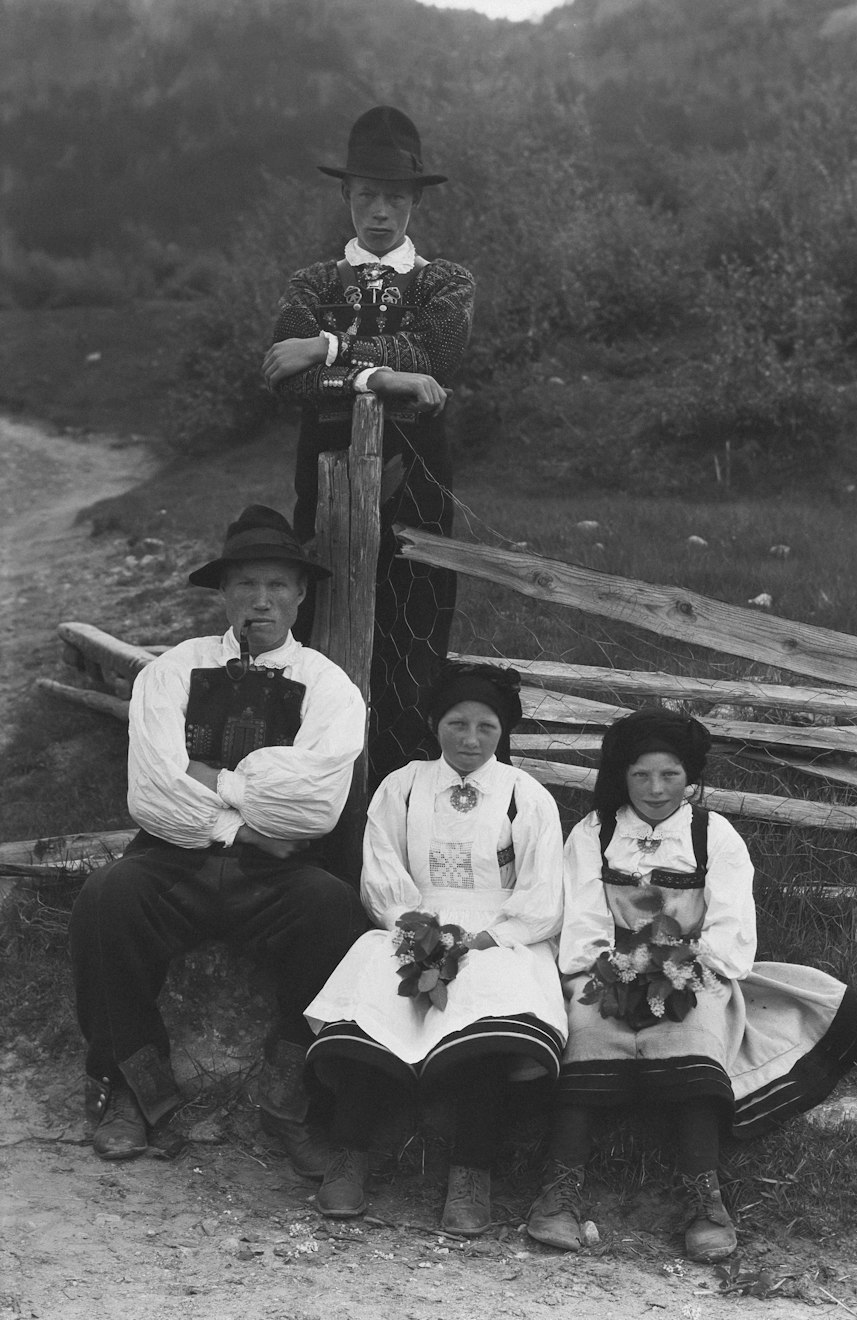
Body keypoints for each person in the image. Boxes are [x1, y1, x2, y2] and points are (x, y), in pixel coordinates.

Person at [69, 505, 370, 1178]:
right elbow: (153, 791)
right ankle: (132, 1089)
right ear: (224, 594)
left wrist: (207, 778)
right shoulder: (171, 672)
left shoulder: (328, 688)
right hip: (174, 860)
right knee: (105, 902)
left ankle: (290, 1096)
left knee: (339, 917)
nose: (259, 601)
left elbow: (315, 806)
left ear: (298, 595)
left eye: (275, 587)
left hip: (276, 874)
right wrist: (246, 807)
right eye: (244, 587)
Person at [526, 710, 857, 1262]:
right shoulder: (593, 834)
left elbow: (730, 926)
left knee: (692, 1026)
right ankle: (560, 1189)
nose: (655, 789)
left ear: (688, 775)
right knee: (587, 1027)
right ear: (623, 775)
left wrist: (680, 965)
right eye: (641, 775)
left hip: (693, 965)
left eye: (669, 774)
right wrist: (614, 968)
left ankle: (704, 1198)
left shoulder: (712, 833)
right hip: (609, 964)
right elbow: (583, 924)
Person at [301, 662, 567, 1235]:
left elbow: (543, 895)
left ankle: (471, 1174)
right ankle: (350, 1155)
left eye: (486, 728)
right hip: (413, 924)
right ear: (433, 724)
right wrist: (417, 932)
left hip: (500, 934)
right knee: (377, 999)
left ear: (504, 732)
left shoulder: (526, 796)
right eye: (457, 724)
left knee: (485, 1010)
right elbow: (382, 875)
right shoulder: (402, 787)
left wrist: (489, 938)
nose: (470, 740)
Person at [261, 105, 475, 786]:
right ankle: (321, 786)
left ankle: (405, 786)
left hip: (418, 478)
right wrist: (386, 376)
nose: (378, 213)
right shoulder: (312, 284)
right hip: (325, 476)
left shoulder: (446, 282)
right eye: (365, 196)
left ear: (414, 200)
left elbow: (436, 353)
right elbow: (289, 386)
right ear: (345, 197)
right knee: (323, 614)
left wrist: (327, 347)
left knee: (415, 624)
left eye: (393, 198)